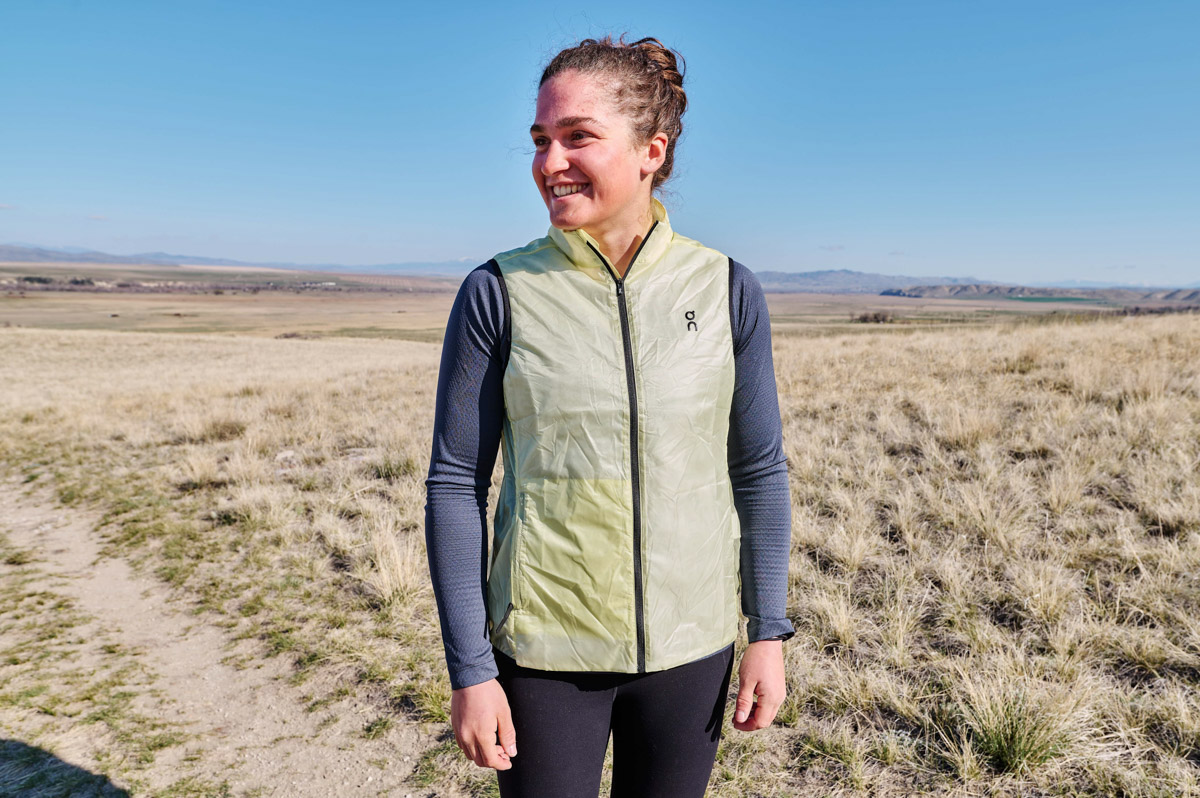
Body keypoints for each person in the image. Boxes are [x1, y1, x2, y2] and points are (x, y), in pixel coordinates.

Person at [424, 34, 794, 798]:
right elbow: (456, 483)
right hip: (544, 657)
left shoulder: (726, 288)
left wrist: (767, 631)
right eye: (539, 140)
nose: (548, 163)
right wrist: (471, 669)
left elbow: (757, 470)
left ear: (651, 150)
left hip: (692, 652)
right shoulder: (499, 293)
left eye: (576, 137)